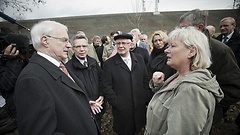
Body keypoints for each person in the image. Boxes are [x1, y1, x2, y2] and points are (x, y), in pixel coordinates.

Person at [14, 20, 101, 135]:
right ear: (45, 40)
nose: (69, 45)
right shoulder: (31, 79)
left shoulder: (60, 66)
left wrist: (83, 104)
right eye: (64, 40)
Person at [145, 26, 224, 135]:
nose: (166, 50)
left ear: (191, 51)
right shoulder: (179, 76)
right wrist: (159, 86)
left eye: (173, 46)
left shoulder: (192, 91)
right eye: (168, 46)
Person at [178, 9, 240, 125]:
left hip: (205, 118)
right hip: (181, 114)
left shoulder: (220, 51)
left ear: (200, 27)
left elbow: (234, 88)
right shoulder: (182, 48)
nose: (180, 32)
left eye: (184, 28)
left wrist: (205, 102)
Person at [101, 33, 150, 135]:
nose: (121, 46)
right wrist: (117, 102)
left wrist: (144, 97)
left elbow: (145, 79)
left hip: (139, 107)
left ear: (131, 44)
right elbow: (106, 87)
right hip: (122, 111)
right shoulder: (109, 64)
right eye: (118, 43)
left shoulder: (139, 59)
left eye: (123, 43)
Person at [66, 34, 104, 128]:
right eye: (78, 47)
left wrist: (102, 95)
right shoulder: (68, 68)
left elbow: (101, 79)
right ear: (73, 49)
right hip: (82, 111)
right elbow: (69, 92)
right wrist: (87, 102)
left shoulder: (93, 62)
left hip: (98, 108)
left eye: (84, 46)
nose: (82, 49)